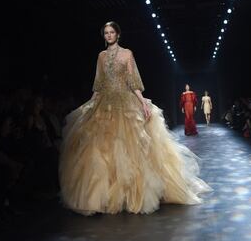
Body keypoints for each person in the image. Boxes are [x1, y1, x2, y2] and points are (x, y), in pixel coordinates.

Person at [59, 22, 210, 215]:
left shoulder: (127, 54)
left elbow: (133, 82)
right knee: (104, 147)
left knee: (129, 146)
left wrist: (143, 102)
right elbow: (98, 84)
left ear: (118, 34)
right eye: (106, 33)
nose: (109, 35)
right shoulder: (101, 56)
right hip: (105, 102)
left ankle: (130, 194)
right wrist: (90, 104)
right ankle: (108, 196)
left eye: (112, 32)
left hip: (126, 101)